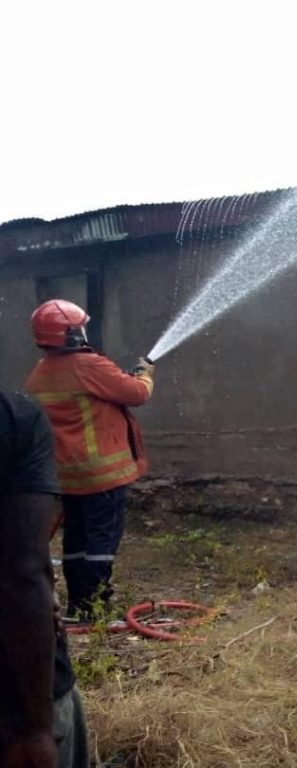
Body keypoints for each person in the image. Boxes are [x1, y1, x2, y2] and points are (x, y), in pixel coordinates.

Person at [25, 299, 155, 621]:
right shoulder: (88, 365)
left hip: (69, 477)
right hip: (103, 476)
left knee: (77, 542)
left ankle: (79, 604)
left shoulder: (40, 374)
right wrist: (145, 375)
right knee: (101, 542)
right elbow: (135, 393)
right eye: (78, 327)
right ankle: (96, 608)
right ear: (70, 334)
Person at [1, 389, 89, 767]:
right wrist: (37, 729)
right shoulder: (14, 414)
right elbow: (21, 571)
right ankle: (87, 601)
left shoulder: (43, 375)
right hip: (13, 700)